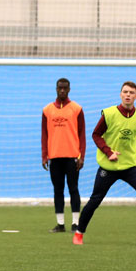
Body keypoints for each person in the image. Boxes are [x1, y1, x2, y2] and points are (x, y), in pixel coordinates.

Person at [71, 82, 136, 246]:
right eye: (125, 92)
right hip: (109, 166)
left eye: (131, 92)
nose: (128, 95)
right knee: (96, 199)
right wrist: (109, 152)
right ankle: (79, 233)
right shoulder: (109, 114)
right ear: (120, 94)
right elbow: (96, 135)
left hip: (129, 165)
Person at [42, 78, 85, 233]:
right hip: (54, 156)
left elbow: (82, 134)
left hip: (72, 156)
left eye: (65, 88)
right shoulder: (47, 110)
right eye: (60, 88)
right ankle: (60, 224)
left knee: (73, 189)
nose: (62, 90)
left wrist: (82, 156)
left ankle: (75, 223)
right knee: (57, 190)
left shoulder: (77, 109)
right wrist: (44, 155)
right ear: (56, 89)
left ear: (69, 89)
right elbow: (44, 135)